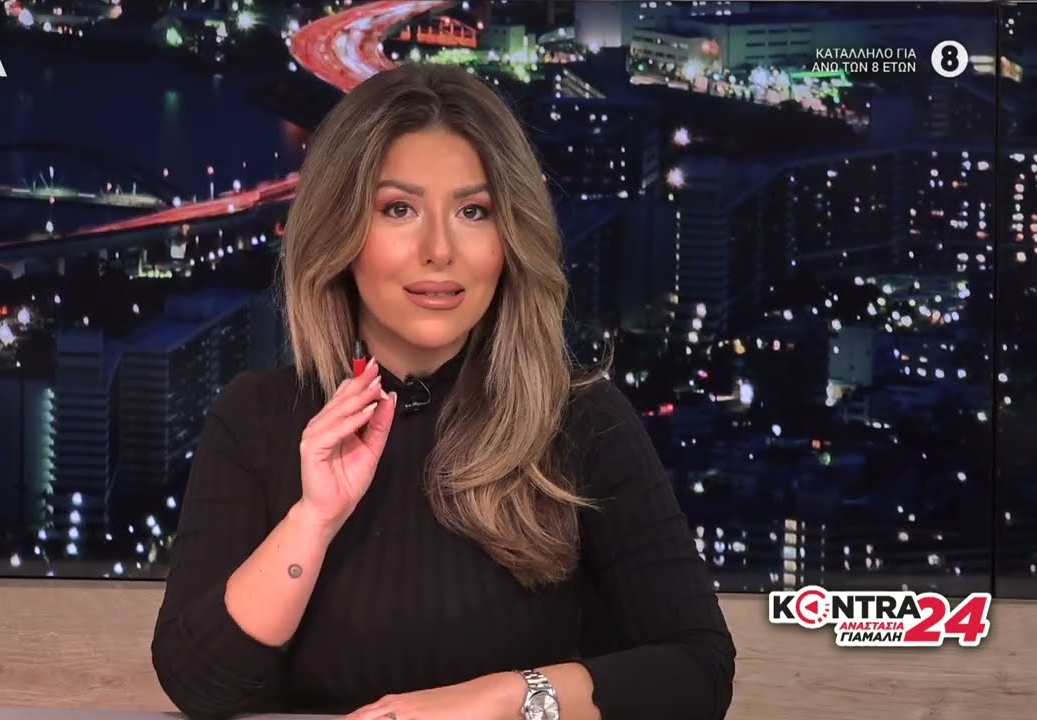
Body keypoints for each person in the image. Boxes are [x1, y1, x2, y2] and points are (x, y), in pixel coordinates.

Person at [151, 62, 735, 720]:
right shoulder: (256, 418)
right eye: (399, 209)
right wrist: (313, 520)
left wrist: (501, 700)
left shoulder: (580, 420)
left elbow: (699, 672)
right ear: (341, 232)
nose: (439, 249)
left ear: (508, 240)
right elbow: (196, 684)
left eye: (473, 211)